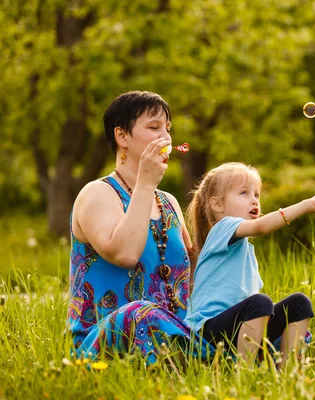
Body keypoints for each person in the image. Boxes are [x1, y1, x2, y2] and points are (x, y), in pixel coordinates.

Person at [66, 90, 195, 363]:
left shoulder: (168, 202)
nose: (166, 137)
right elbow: (125, 255)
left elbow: (194, 271)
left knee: (256, 308)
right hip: (103, 340)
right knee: (142, 312)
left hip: (176, 331)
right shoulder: (97, 194)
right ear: (122, 136)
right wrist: (146, 182)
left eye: (168, 129)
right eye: (153, 127)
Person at [184, 162, 315, 367]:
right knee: (260, 302)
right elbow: (262, 227)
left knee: (299, 303)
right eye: (244, 193)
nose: (254, 200)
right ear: (217, 205)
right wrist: (307, 205)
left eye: (256, 195)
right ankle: (245, 376)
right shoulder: (222, 228)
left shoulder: (245, 251)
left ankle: (286, 375)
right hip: (207, 331)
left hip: (239, 326)